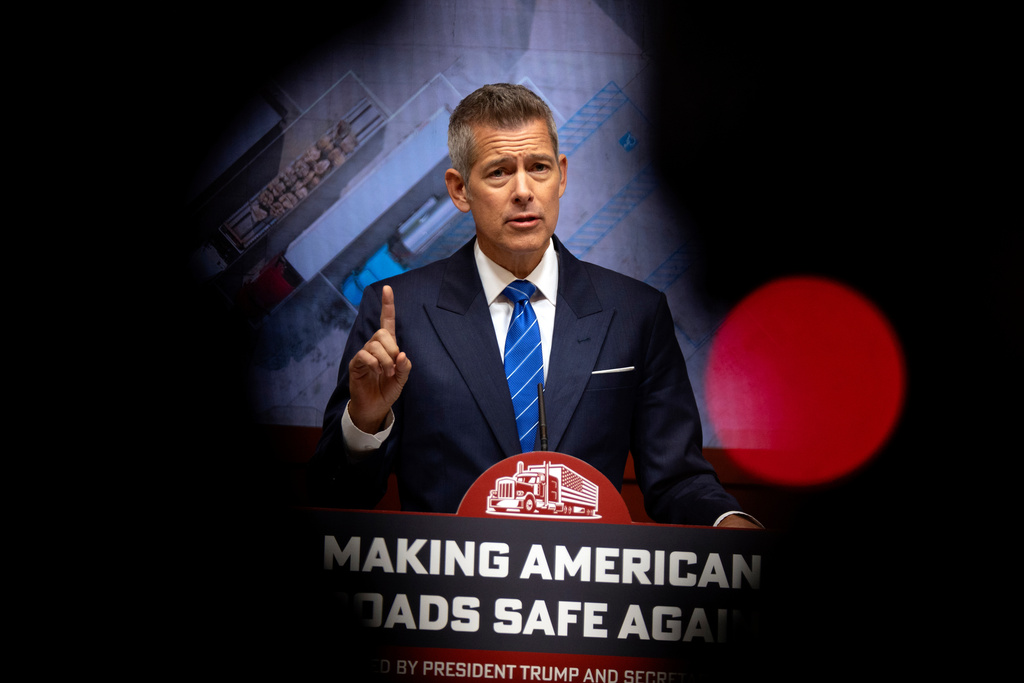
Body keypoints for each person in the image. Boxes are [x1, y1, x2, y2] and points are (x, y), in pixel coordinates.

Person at [309, 83, 759, 528]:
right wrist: (364, 422)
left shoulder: (636, 314)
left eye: (539, 167)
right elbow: (338, 495)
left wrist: (729, 521)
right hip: (448, 592)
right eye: (499, 172)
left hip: (584, 590)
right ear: (459, 189)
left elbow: (677, 479)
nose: (523, 191)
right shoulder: (397, 313)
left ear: (561, 175)